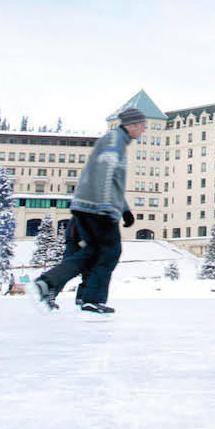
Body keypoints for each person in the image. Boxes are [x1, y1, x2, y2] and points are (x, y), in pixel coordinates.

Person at [33, 106, 147, 315]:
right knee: (110, 252)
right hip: (96, 208)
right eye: (142, 125)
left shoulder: (116, 140)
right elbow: (105, 173)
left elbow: (113, 181)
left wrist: (124, 209)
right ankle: (89, 298)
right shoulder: (115, 140)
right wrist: (104, 207)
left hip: (90, 206)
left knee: (93, 252)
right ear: (132, 125)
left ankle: (51, 283)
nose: (144, 130)